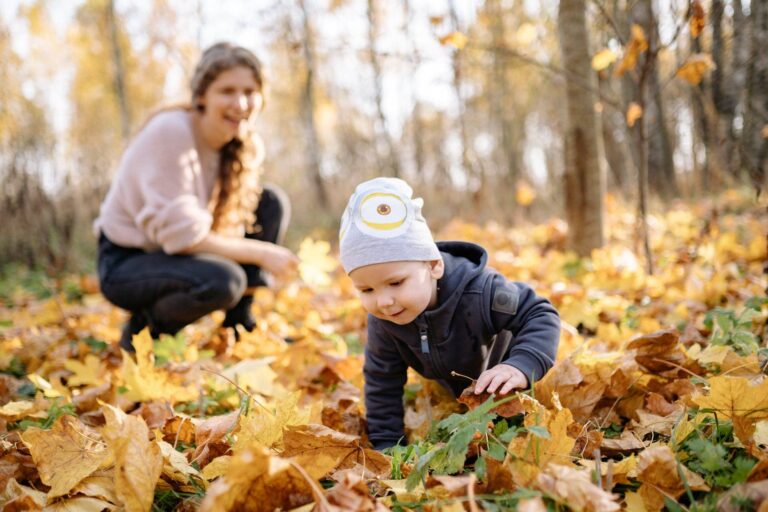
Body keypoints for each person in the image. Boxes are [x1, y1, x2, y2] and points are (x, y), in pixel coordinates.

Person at [94, 42, 299, 352]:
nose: (241, 103)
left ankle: (238, 324)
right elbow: (183, 237)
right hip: (127, 262)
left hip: (176, 251)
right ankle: (142, 333)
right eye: (227, 91)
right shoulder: (171, 131)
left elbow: (220, 225)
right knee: (223, 280)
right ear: (202, 95)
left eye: (249, 91)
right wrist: (261, 253)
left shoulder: (238, 142)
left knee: (270, 203)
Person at [338, 177, 560, 450]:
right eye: (366, 290)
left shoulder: (482, 292)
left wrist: (522, 364)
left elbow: (539, 312)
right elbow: (382, 381)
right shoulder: (385, 322)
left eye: (396, 283)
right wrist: (387, 446)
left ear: (433, 266)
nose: (383, 301)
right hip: (460, 395)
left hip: (513, 385)